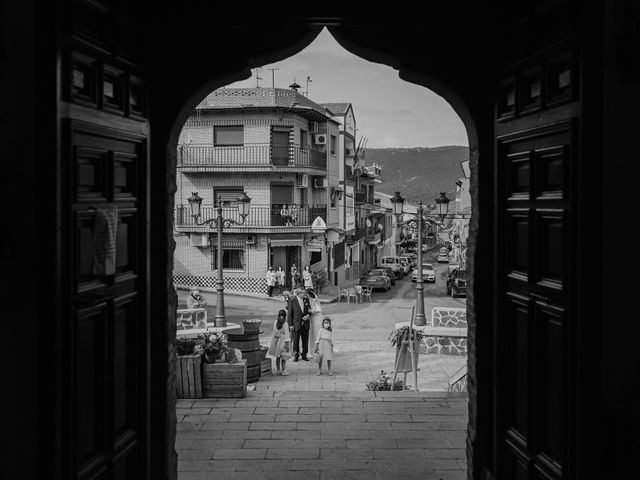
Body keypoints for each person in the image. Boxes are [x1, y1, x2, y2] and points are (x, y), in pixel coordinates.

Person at [286, 287, 311, 362]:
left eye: (304, 293)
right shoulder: (293, 301)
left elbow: (309, 310)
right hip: (296, 324)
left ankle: (304, 354)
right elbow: (290, 314)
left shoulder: (306, 300)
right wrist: (290, 325)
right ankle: (296, 354)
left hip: (305, 324)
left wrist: (309, 315)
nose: (304, 294)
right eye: (303, 293)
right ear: (298, 293)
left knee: (305, 340)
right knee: (296, 341)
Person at [268, 309, 290, 375]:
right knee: (284, 357)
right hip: (283, 342)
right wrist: (287, 345)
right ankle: (283, 371)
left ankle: (278, 370)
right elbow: (287, 335)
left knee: (278, 357)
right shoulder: (285, 324)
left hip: (277, 342)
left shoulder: (276, 322)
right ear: (285, 316)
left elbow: (274, 333)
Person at [307, 290, 323, 354]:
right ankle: (311, 350)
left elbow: (318, 309)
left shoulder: (314, 299)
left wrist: (311, 311)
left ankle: (319, 349)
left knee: (317, 333)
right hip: (311, 318)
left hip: (316, 318)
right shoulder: (308, 300)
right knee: (310, 334)